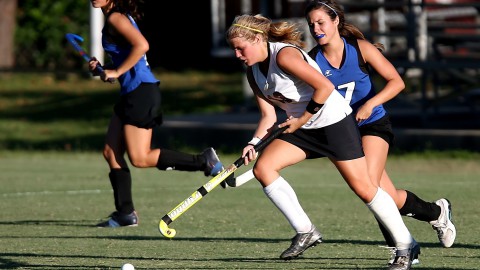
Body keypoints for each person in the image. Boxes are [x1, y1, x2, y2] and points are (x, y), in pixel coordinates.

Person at [227, 14, 419, 270]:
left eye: (241, 48)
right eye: (235, 50)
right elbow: (268, 116)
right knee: (264, 168)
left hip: (333, 123)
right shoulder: (253, 73)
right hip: (303, 128)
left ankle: (407, 244)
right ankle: (306, 231)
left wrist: (301, 118)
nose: (238, 54)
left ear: (259, 39)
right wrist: (254, 142)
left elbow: (325, 87)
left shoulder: (284, 56)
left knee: (364, 188)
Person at [304, 0, 456, 251]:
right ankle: (436, 212)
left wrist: (369, 104)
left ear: (336, 21)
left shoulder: (360, 49)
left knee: (369, 185)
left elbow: (396, 82)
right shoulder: (312, 61)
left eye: (321, 22)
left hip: (373, 124)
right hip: (344, 131)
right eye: (311, 24)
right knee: (388, 196)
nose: (316, 28)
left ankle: (403, 246)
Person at [89, 0, 225, 228]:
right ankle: (125, 214)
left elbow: (142, 46)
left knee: (140, 158)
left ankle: (204, 161)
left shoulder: (115, 17)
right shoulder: (115, 16)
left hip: (140, 93)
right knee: (110, 152)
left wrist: (118, 70)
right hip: (131, 92)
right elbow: (127, 55)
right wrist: (103, 70)